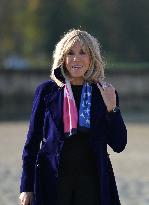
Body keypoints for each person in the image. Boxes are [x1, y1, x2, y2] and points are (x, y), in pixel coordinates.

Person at [19, 29, 127, 205]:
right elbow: (32, 143)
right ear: (62, 58)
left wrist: (112, 109)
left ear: (92, 58)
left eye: (83, 52)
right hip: (52, 182)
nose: (76, 58)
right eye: (70, 53)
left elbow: (119, 144)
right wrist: (26, 187)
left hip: (93, 184)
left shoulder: (105, 92)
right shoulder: (46, 91)